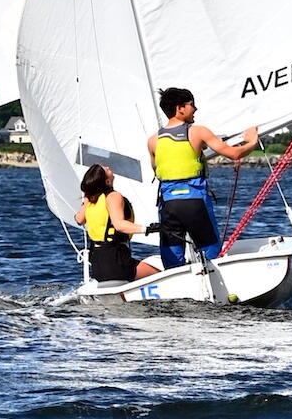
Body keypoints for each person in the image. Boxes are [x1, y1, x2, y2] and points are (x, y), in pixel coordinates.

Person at [147, 87, 259, 267]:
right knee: (211, 251)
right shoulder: (198, 131)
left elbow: (157, 169)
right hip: (194, 201)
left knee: (172, 258)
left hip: (168, 205)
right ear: (180, 108)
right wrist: (252, 141)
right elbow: (233, 154)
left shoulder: (153, 140)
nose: (195, 109)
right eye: (192, 105)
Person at [75, 162, 158, 286]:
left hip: (97, 263)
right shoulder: (113, 196)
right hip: (115, 260)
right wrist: (147, 229)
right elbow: (119, 225)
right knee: (161, 271)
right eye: (105, 170)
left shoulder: (91, 199)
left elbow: (79, 219)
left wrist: (86, 198)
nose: (108, 167)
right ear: (107, 181)